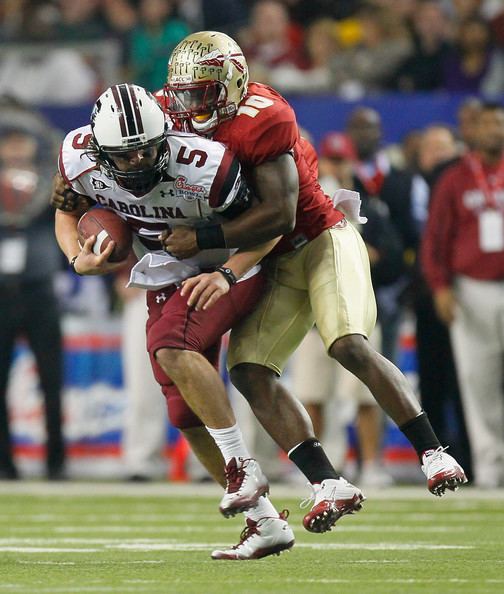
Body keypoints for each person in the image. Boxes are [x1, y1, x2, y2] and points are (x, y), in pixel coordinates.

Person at [161, 31, 467, 520]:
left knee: (346, 343)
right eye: (185, 92)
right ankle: (329, 482)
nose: (191, 104)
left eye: (203, 92)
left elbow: (279, 216)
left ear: (233, 82)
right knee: (248, 371)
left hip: (320, 238)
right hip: (274, 261)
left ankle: (434, 451)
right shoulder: (172, 109)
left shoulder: (264, 118)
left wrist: (201, 241)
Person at [53, 83, 294, 559]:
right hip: (169, 270)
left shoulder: (207, 164)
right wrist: (77, 258)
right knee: (184, 413)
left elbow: (269, 227)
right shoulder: (77, 157)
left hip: (233, 264)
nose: (139, 163)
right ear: (100, 152)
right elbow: (66, 212)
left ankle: (243, 465)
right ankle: (263, 521)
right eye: (125, 156)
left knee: (169, 344)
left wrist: (227, 271)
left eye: (147, 151)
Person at [421, 102, 504, 488]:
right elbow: (435, 237)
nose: (493, 130)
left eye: (499, 124)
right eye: (486, 124)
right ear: (473, 132)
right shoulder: (455, 178)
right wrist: (440, 286)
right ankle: (491, 468)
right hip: (471, 289)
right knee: (478, 380)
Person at [0, 102, 66, 480]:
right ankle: (4, 463)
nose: (14, 148)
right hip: (1, 292)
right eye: (7, 141)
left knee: (51, 379)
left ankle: (56, 460)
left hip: (39, 289)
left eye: (20, 140)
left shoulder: (48, 177)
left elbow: (63, 190)